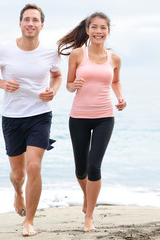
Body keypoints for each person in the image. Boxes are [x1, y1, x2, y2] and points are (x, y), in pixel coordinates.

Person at [0, 3, 62, 237]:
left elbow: (57, 76)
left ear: (42, 25)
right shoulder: (4, 49)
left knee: (34, 166)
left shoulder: (50, 50)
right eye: (27, 19)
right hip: (12, 117)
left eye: (35, 20)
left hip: (40, 114)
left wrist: (53, 90)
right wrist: (2, 84)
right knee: (18, 175)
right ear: (20, 23)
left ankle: (29, 221)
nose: (30, 23)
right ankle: (18, 192)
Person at [57, 12, 127, 232]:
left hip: (105, 116)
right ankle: (88, 197)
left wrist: (120, 97)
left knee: (94, 166)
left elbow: (115, 81)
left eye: (103, 27)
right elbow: (68, 84)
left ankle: (89, 216)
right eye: (94, 27)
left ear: (108, 31)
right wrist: (73, 85)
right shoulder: (78, 54)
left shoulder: (114, 58)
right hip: (78, 117)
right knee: (80, 170)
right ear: (87, 30)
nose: (99, 31)